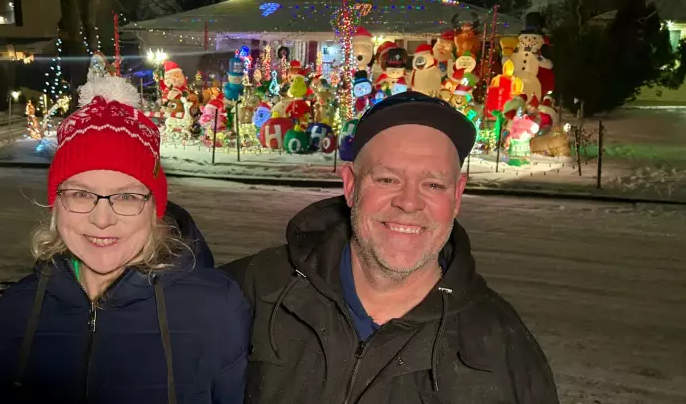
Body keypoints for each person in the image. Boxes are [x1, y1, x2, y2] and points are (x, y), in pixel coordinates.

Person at [222, 91, 559, 403]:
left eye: (433, 184)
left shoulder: (505, 349)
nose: (409, 203)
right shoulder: (248, 292)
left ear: (456, 196)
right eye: (387, 179)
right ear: (351, 186)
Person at [0, 71, 250, 404]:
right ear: (56, 204)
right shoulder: (17, 310)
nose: (102, 219)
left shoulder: (216, 310)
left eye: (127, 197)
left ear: (155, 209)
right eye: (81, 194)